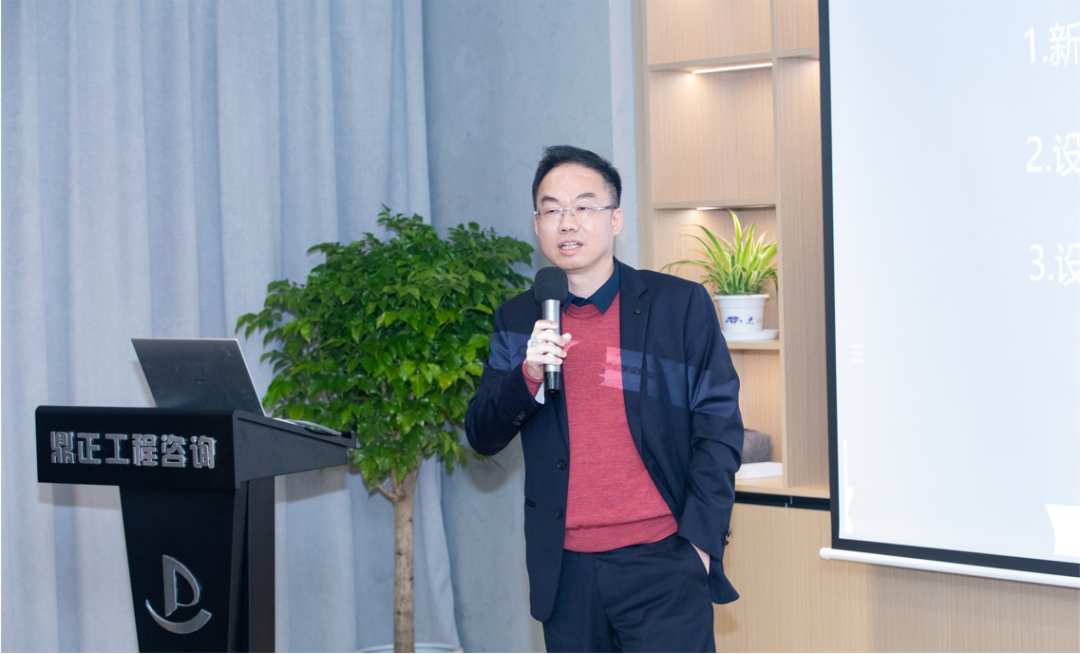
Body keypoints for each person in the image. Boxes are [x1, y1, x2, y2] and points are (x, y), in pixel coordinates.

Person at [465, 145, 743, 653]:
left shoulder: (678, 306)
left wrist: (699, 546)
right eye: (551, 210)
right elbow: (482, 433)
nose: (566, 222)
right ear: (537, 224)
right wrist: (527, 375)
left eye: (583, 206)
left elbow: (718, 427)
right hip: (566, 573)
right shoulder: (518, 318)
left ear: (615, 219)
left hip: (663, 563)